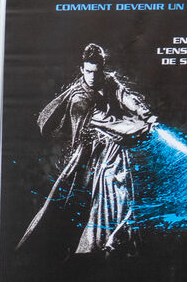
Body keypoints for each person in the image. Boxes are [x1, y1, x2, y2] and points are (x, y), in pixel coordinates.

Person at [20, 43, 157, 255]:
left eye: (97, 71)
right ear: (82, 69)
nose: (92, 76)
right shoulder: (79, 99)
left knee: (118, 193)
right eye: (88, 71)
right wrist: (142, 125)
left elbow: (125, 97)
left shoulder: (109, 81)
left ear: (102, 69)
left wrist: (145, 113)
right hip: (88, 157)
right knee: (74, 203)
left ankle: (114, 240)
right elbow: (110, 123)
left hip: (112, 151)